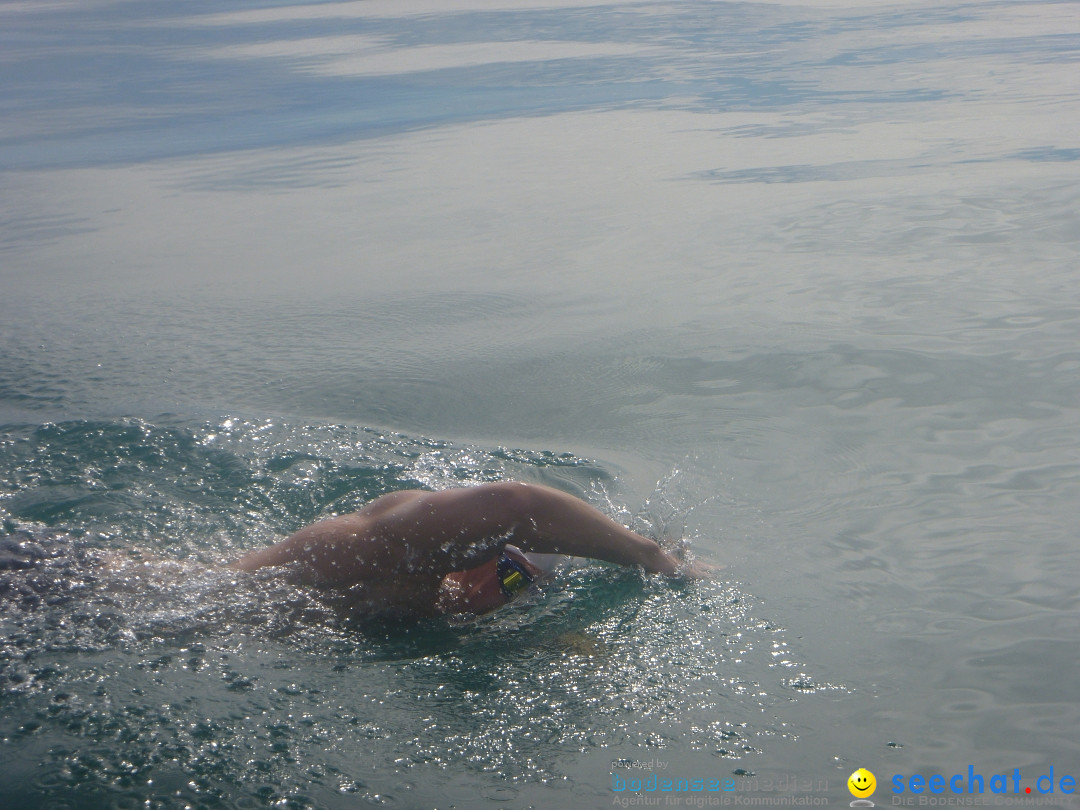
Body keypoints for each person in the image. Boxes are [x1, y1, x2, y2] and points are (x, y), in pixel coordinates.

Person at [230, 482, 698, 618]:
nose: (500, 594)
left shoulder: (440, 606)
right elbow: (514, 504)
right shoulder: (398, 546)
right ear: (486, 552)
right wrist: (653, 557)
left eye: (519, 588)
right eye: (509, 574)